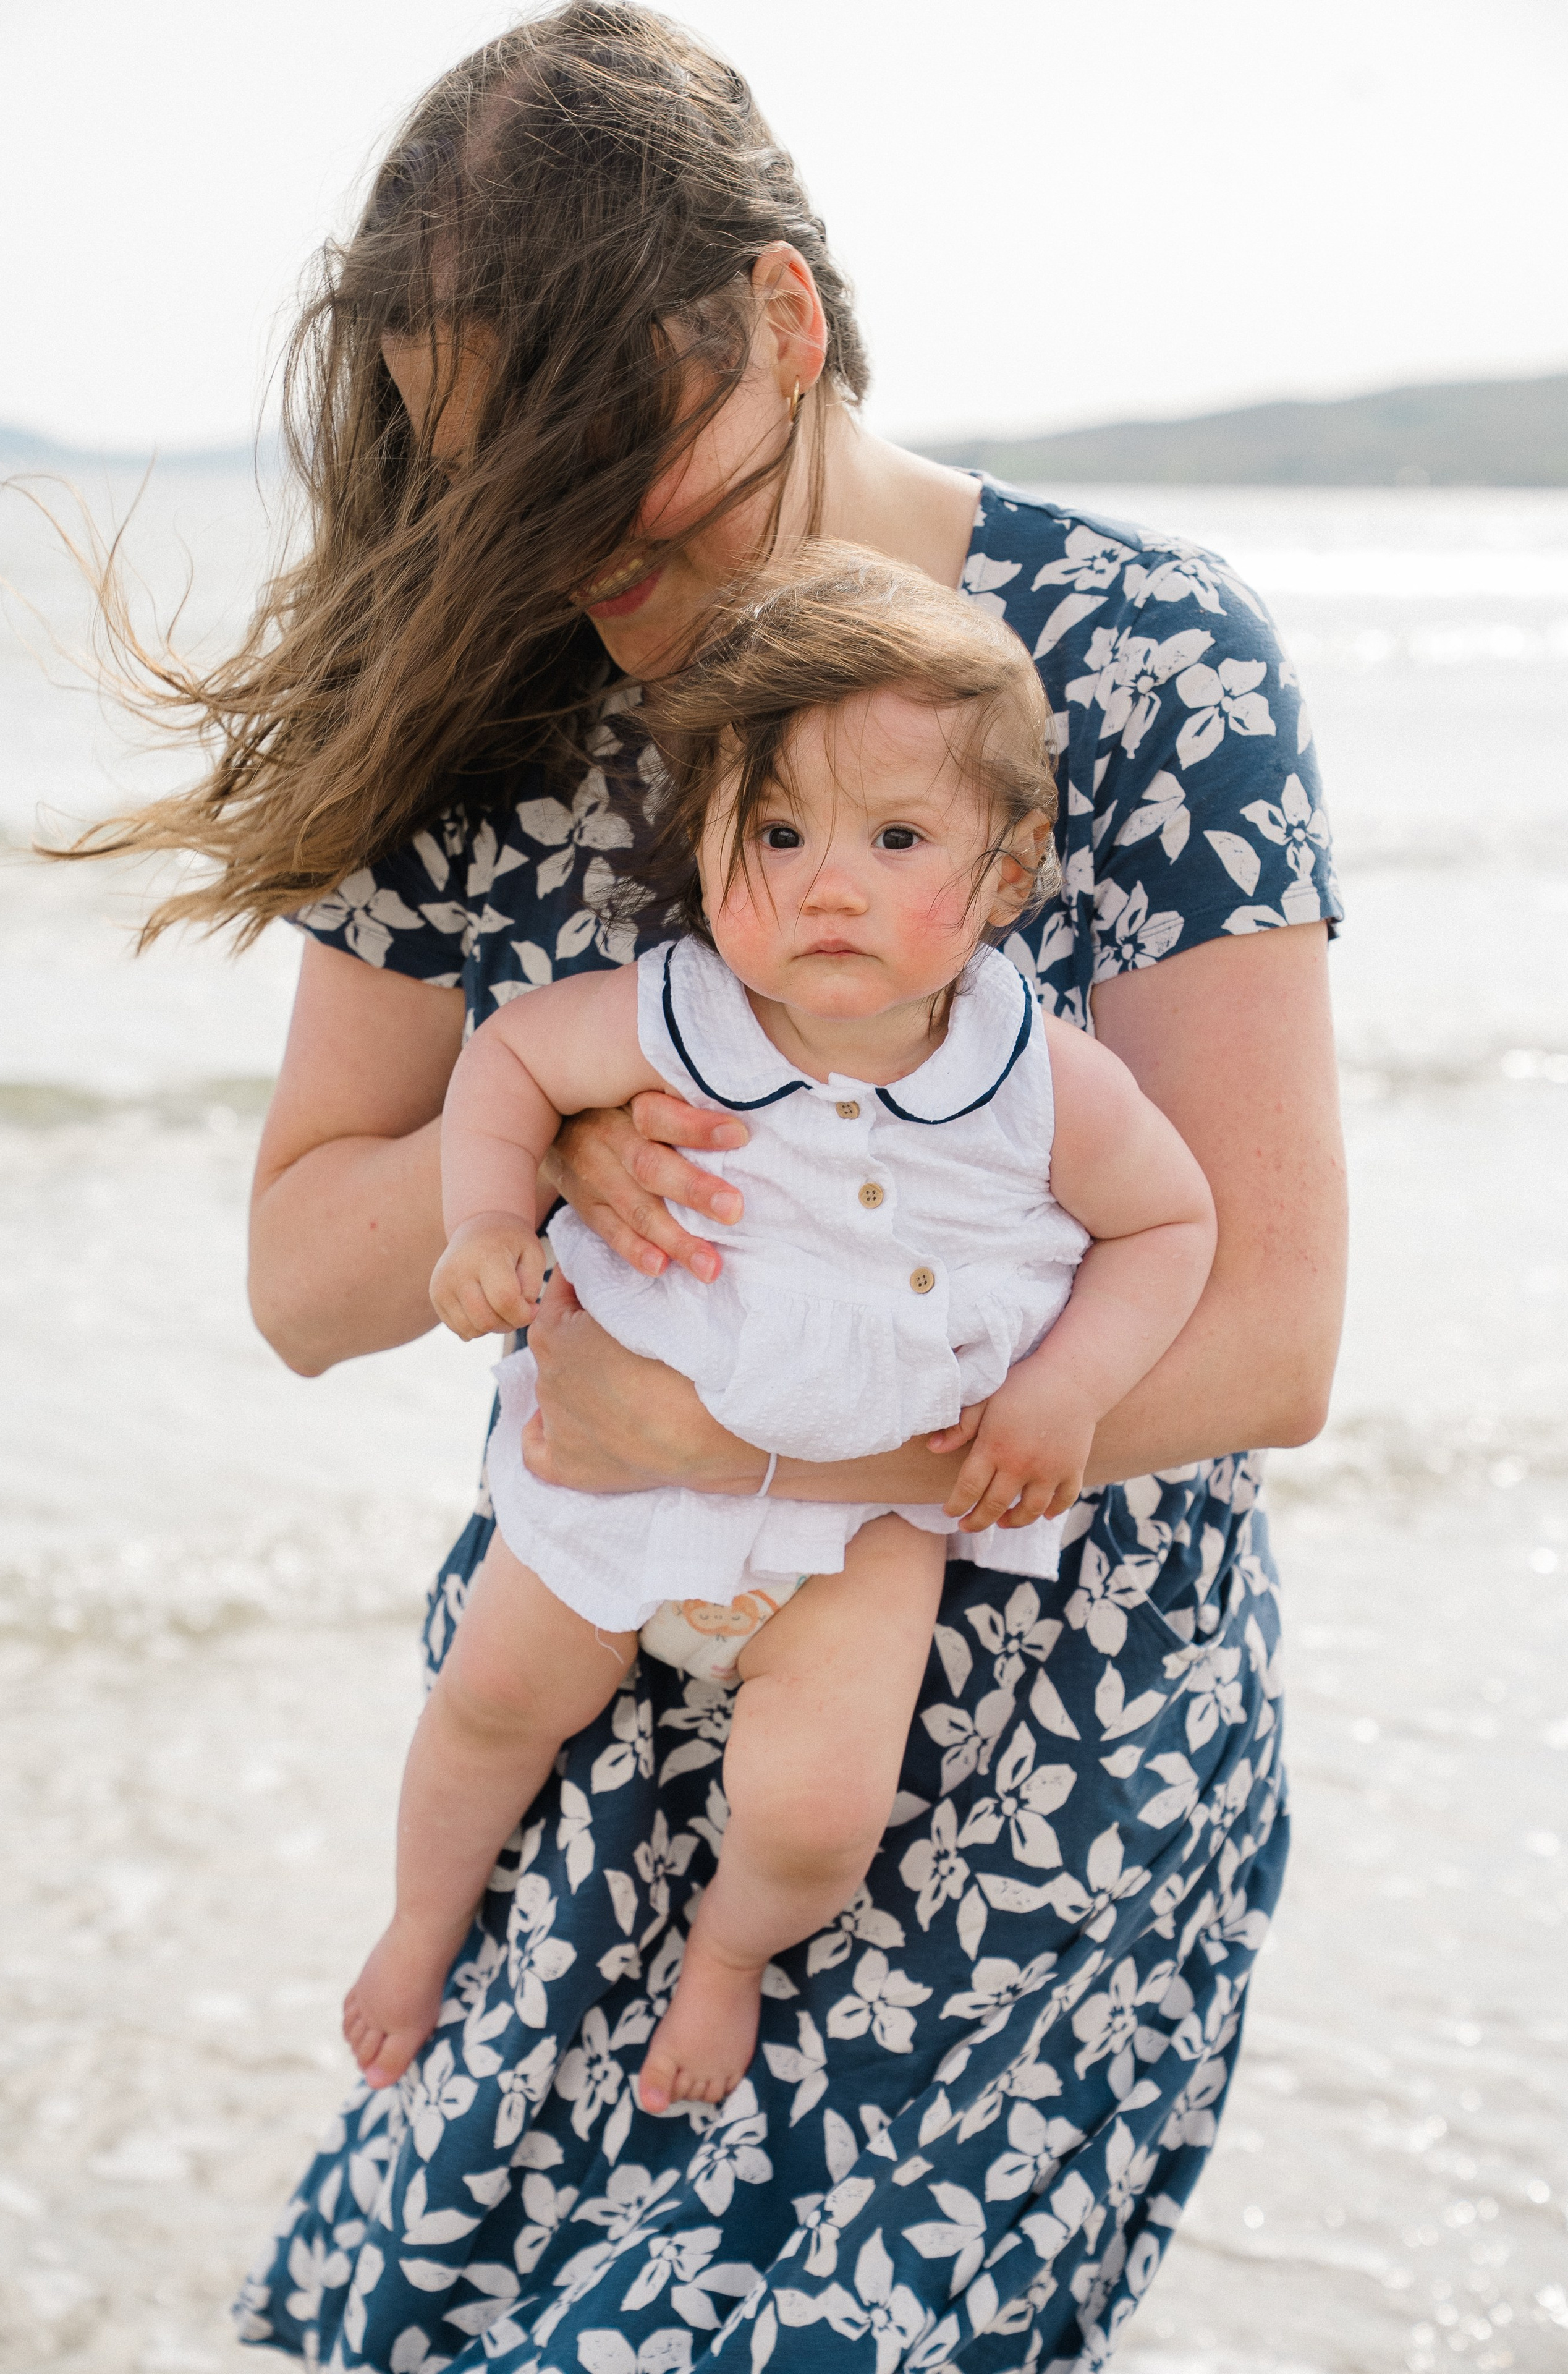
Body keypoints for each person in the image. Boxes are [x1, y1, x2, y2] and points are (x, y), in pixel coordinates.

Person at [70, 7, 1345, 2364]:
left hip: (1038, 1790)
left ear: (782, 321)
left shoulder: (1148, 665)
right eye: (503, 502)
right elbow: (298, 1273)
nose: (583, 581)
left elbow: (1266, 1336)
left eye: (620, 493)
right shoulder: (502, 693)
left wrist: (769, 1456)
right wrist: (546, 1148)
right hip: (596, 1724)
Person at [342, 552, 1218, 2120]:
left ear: (1007, 875)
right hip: (605, 1477)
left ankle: (728, 1960)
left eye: (896, 841)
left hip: (864, 1512)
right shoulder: (679, 1013)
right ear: (705, 843)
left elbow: (1170, 1228)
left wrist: (1064, 1394)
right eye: (777, 834)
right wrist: (485, 1223)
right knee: (489, 1705)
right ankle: (419, 1925)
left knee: (818, 1809)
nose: (829, 883)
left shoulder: (1040, 1077)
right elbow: (508, 1071)